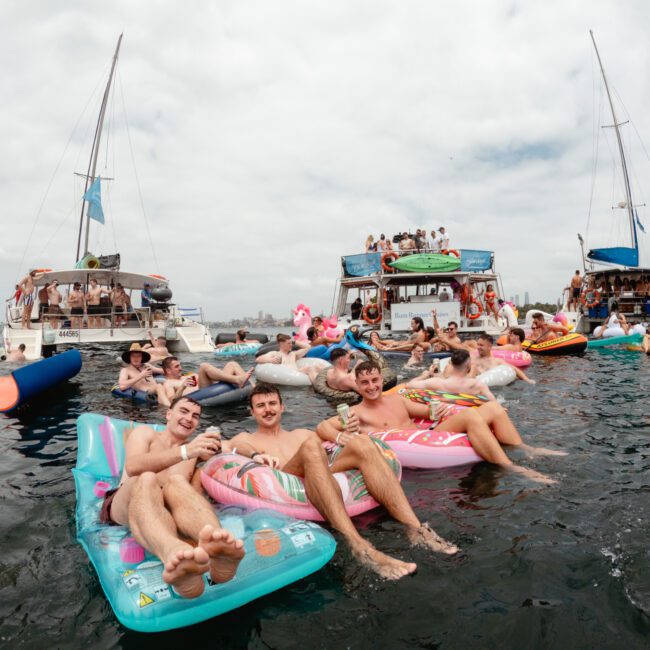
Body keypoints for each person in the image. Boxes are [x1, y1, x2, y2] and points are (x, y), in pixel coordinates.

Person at [225, 383, 456, 579]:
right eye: (261, 406)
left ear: (282, 406)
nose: (268, 410)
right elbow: (231, 447)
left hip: (321, 477)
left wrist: (349, 429)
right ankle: (359, 545)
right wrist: (255, 455)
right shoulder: (246, 438)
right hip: (285, 480)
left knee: (363, 443)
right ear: (252, 412)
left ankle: (416, 529)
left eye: (272, 403)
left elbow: (326, 428)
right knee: (311, 447)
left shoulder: (301, 434)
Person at [98, 396, 245, 598]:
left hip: (165, 512)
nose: (189, 418)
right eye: (183, 411)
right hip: (128, 502)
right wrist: (185, 452)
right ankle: (171, 553)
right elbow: (133, 467)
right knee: (147, 478)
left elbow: (235, 445)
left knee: (177, 483)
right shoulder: (146, 434)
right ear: (168, 414)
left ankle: (216, 548)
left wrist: (254, 456)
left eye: (195, 416)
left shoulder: (195, 451)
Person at [318, 361, 559, 484]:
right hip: (408, 447)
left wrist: (439, 410)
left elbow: (427, 413)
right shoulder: (355, 412)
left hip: (430, 435)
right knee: (471, 416)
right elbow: (322, 427)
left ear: (382, 380)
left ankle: (527, 449)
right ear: (357, 386)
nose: (371, 387)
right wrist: (342, 436)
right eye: (365, 383)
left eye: (375, 380)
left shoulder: (397, 400)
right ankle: (513, 467)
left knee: (493, 407)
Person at [408, 349, 495, 400]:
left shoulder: (437, 383)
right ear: (468, 364)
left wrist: (424, 376)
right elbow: (495, 405)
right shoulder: (477, 385)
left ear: (451, 364)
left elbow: (409, 385)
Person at [161, 356, 253, 403]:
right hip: (202, 394)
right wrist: (182, 387)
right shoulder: (168, 383)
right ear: (168, 370)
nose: (180, 368)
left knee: (232, 364)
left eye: (180, 365)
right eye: (177, 366)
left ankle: (255, 391)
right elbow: (171, 401)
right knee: (203, 366)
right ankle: (237, 380)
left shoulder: (185, 376)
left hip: (212, 386)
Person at [469, 334, 534, 384]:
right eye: (478, 344)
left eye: (481, 345)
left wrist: (527, 380)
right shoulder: (472, 358)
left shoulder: (496, 361)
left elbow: (515, 369)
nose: (478, 347)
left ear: (489, 347)